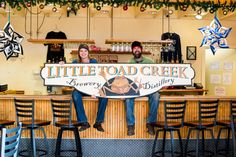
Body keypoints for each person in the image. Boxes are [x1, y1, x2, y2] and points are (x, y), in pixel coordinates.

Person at [125, 41, 160, 136]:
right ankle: (130, 125)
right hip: (135, 89)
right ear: (132, 50)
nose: (136, 49)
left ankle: (150, 123)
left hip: (148, 88)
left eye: (138, 48)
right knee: (127, 99)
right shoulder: (129, 63)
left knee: (156, 96)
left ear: (141, 49)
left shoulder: (150, 61)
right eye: (134, 48)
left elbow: (157, 75)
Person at [72, 44, 108, 132]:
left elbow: (97, 78)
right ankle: (84, 122)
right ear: (79, 52)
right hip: (80, 88)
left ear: (88, 52)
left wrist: (94, 91)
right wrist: (62, 65)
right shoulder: (75, 62)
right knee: (75, 95)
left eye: (85, 51)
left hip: (93, 88)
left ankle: (98, 122)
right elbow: (67, 72)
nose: (83, 53)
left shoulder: (93, 62)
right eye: (81, 51)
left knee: (104, 97)